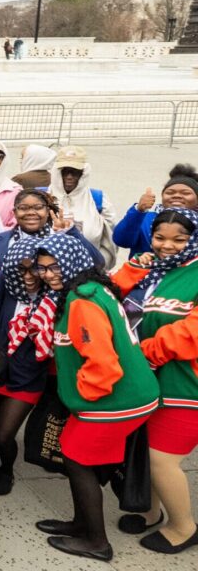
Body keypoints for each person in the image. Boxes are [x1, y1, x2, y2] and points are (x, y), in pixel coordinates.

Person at [33, 233, 159, 561]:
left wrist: (80, 401)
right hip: (127, 394)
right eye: (42, 268)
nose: (47, 274)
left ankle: (96, 542)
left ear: (73, 262)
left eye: (54, 266)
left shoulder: (82, 301)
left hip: (117, 399)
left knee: (76, 459)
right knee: (74, 453)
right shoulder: (90, 287)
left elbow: (103, 365)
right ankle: (81, 524)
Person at [110, 209, 198, 553]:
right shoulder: (153, 270)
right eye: (160, 237)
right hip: (145, 382)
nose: (168, 246)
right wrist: (134, 267)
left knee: (162, 459)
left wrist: (143, 353)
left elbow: (190, 333)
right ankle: (151, 510)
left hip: (184, 385)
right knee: (144, 454)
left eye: (179, 239)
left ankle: (184, 526)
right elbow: (111, 296)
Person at [0, 236, 47, 496]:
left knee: (3, 435)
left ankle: (7, 471)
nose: (27, 276)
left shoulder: (54, 292)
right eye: (21, 269)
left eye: (34, 268)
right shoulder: (4, 281)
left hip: (28, 375)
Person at [49, 146, 116, 268]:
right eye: (65, 171)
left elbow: (110, 241)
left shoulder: (98, 199)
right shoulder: (42, 197)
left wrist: (98, 267)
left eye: (75, 172)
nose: (69, 176)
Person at [113, 164, 198, 255]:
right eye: (170, 192)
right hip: (146, 268)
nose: (176, 196)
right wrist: (138, 211)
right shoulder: (145, 218)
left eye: (185, 193)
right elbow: (122, 241)